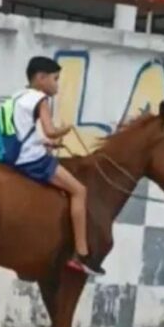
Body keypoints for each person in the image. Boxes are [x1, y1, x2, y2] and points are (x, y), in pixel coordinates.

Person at [10, 56, 104, 276]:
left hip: (16, 156)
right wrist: (65, 129)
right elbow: (50, 130)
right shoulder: (40, 99)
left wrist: (45, 142)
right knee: (80, 191)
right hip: (33, 160)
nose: (57, 85)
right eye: (55, 79)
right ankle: (81, 253)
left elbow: (21, 132)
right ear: (41, 78)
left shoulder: (17, 96)